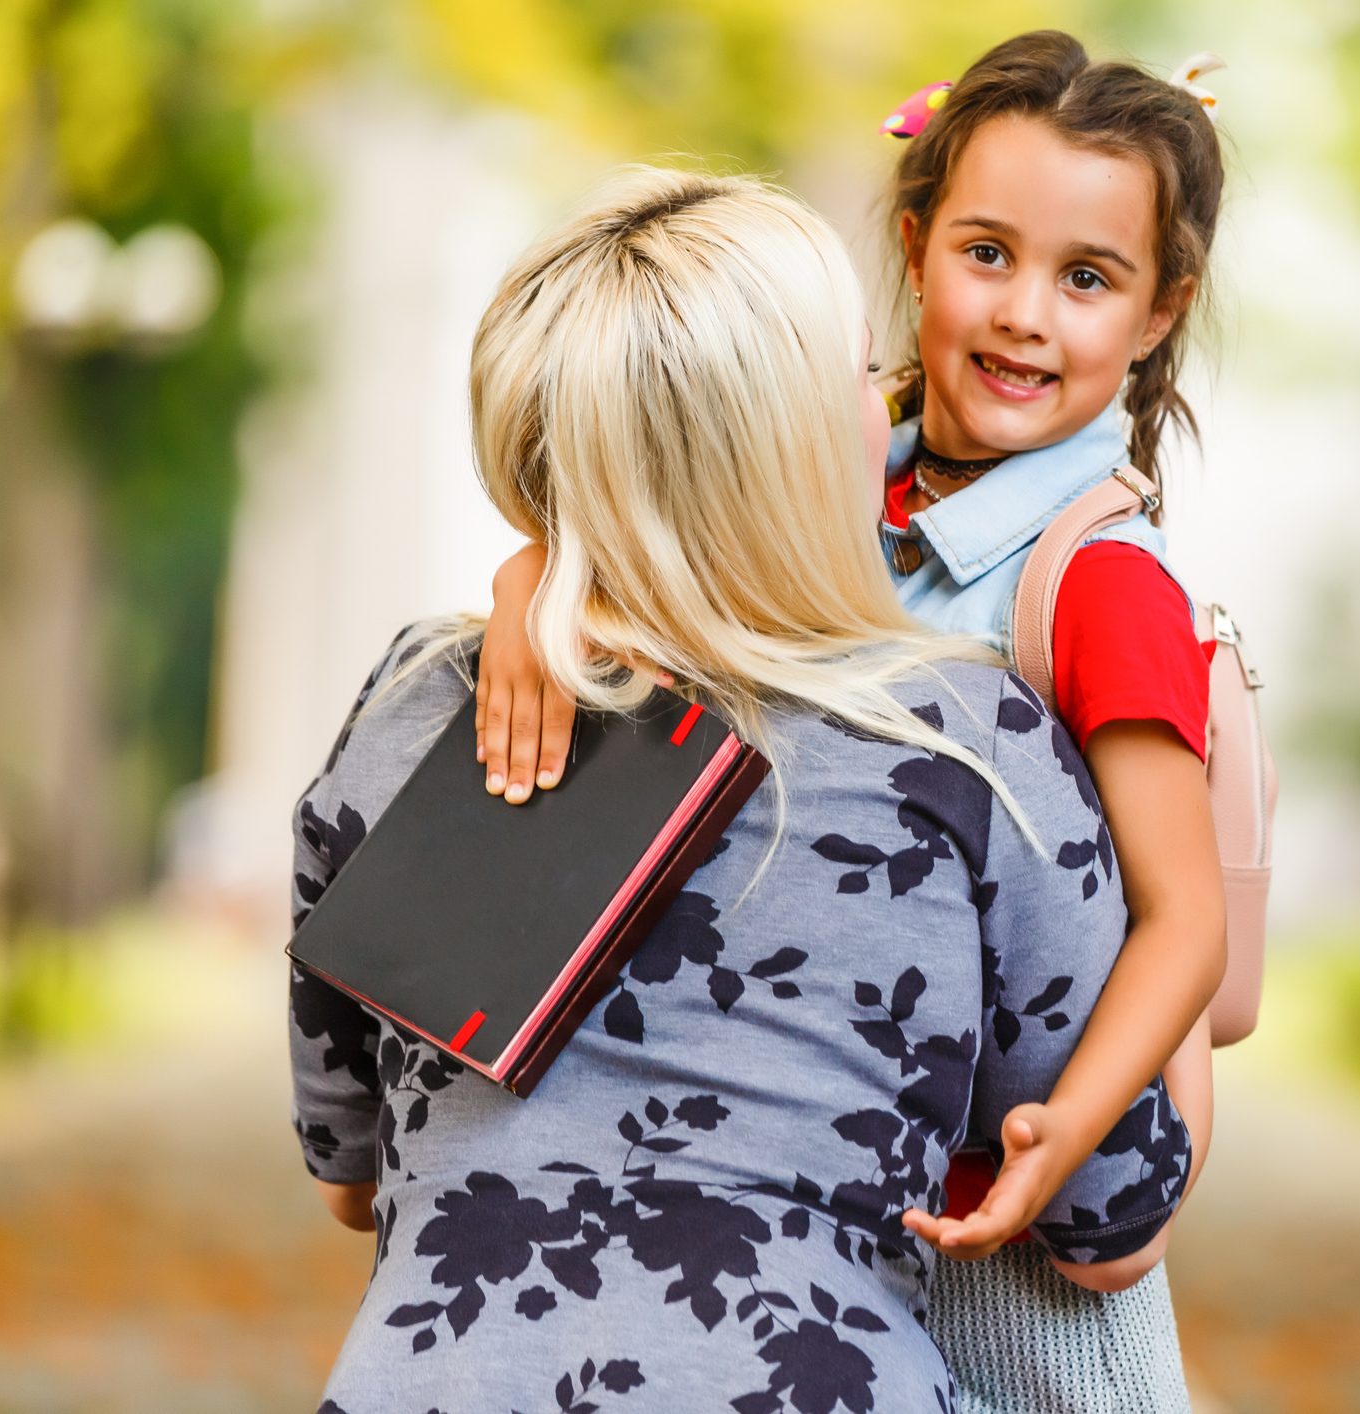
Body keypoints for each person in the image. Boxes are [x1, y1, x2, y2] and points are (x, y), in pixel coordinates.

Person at [289, 166, 1189, 1414]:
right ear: (788, 440)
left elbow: (347, 1172)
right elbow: (1116, 1225)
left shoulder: (420, 710)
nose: (888, 415)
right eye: (860, 379)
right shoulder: (973, 750)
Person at [478, 31, 1233, 1412]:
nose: (1023, 313)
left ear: (1158, 312)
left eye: (1086, 278)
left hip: (1001, 1210)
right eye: (986, 253)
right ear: (912, 243)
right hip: (815, 1168)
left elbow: (1183, 912)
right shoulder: (824, 484)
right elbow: (648, 550)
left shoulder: (1099, 585)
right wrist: (531, 579)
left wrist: (1067, 1132)